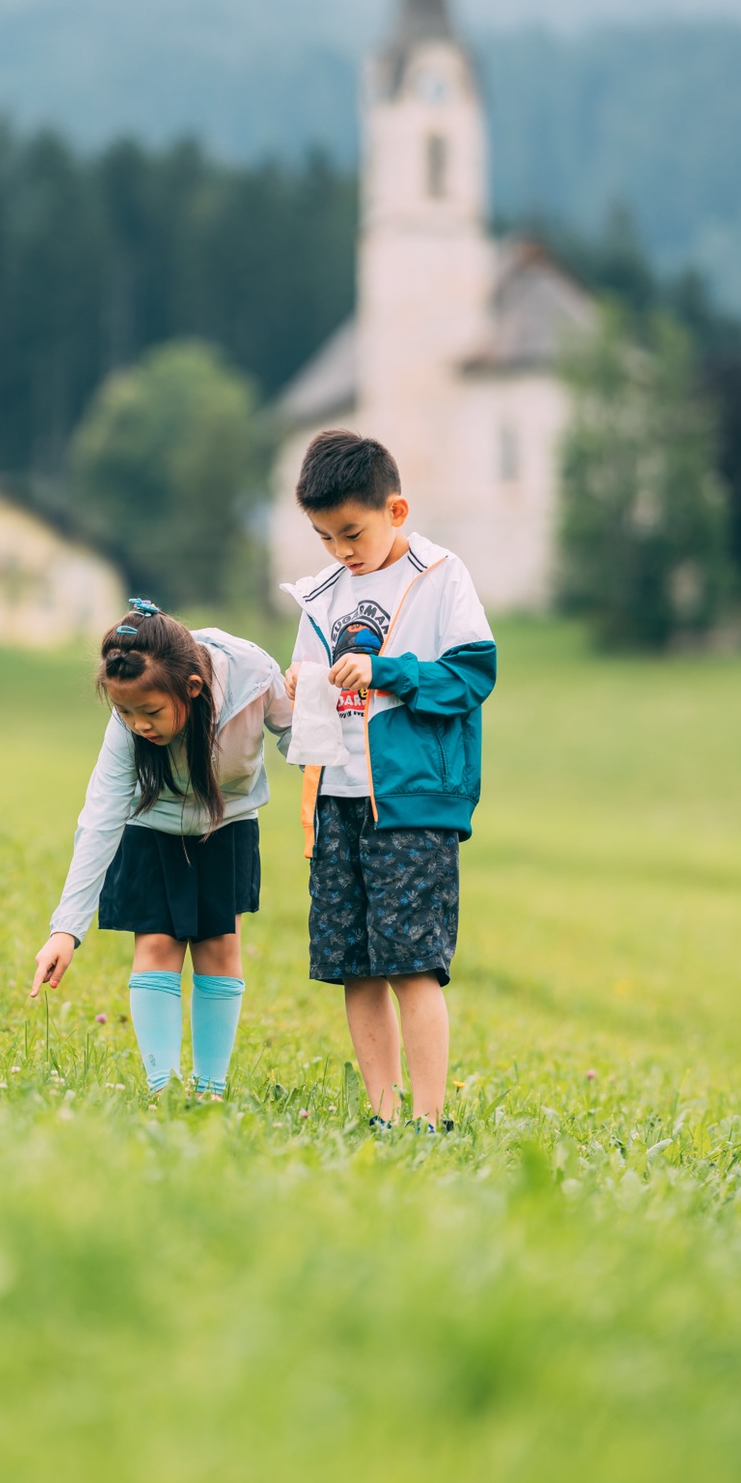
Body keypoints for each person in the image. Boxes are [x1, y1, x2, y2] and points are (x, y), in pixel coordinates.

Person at [281, 430, 497, 1129]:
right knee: (355, 965)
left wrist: (386, 671)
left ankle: (430, 1121)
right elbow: (304, 702)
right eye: (324, 537)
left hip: (411, 802)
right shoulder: (322, 594)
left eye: (351, 532)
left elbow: (472, 676)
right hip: (334, 796)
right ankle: (382, 1114)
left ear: (395, 510)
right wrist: (295, 690)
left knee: (412, 963)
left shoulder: (441, 576)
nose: (341, 551)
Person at [30, 602, 292, 1096]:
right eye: (124, 712)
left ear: (191, 689)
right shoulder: (127, 729)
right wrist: (65, 930)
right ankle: (163, 1091)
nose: (138, 726)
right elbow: (101, 816)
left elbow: (298, 734)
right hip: (151, 827)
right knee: (156, 946)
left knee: (220, 949)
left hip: (228, 825)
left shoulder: (255, 675)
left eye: (149, 712)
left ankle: (210, 1090)